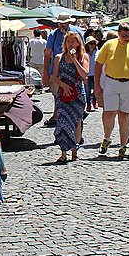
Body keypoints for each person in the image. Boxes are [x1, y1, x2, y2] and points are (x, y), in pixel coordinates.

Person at [94, 22, 129, 159]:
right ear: (118, 34)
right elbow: (98, 64)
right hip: (111, 82)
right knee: (109, 114)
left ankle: (123, 146)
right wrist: (97, 84)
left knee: (125, 116)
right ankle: (107, 138)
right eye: (124, 35)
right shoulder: (109, 45)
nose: (127, 38)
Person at [52, 32, 89, 163]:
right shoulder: (58, 57)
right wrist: (63, 85)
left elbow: (85, 74)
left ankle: (75, 151)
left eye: (73, 42)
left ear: (78, 43)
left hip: (78, 94)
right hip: (63, 94)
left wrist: (75, 60)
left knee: (77, 122)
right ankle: (63, 153)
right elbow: (55, 77)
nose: (70, 44)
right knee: (62, 121)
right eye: (68, 42)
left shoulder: (83, 57)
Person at [43, 14, 83, 126]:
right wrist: (45, 72)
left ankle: (74, 119)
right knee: (57, 95)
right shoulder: (53, 35)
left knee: (75, 96)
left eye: (65, 23)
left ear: (69, 22)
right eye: (61, 23)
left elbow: (83, 52)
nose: (63, 25)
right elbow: (47, 54)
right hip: (57, 72)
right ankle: (58, 117)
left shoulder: (77, 33)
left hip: (75, 72)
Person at [84, 37, 99, 112]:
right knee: (87, 90)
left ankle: (95, 100)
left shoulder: (98, 52)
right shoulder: (84, 54)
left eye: (94, 43)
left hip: (95, 74)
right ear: (87, 45)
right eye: (91, 43)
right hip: (87, 74)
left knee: (96, 89)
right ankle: (88, 104)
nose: (92, 45)